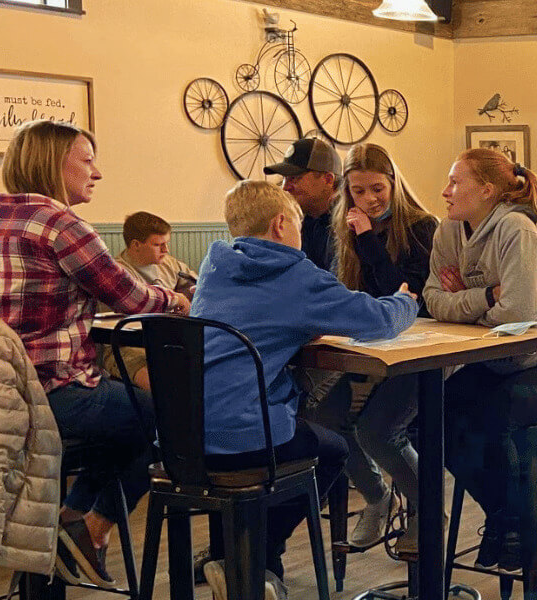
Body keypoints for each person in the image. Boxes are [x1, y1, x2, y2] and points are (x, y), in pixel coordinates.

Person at [0, 119, 189, 589]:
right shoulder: (61, 224)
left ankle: (67, 526)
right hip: (52, 397)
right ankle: (86, 527)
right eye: (87, 160)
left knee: (127, 416)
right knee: (169, 418)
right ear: (53, 164)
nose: (96, 172)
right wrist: (176, 301)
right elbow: (133, 299)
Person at [194, 180, 418, 600]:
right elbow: (376, 322)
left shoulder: (215, 265)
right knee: (331, 450)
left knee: (296, 433)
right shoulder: (293, 273)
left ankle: (240, 562)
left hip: (185, 436)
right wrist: (405, 300)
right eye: (297, 224)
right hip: (246, 435)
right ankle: (255, 563)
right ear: (281, 224)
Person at [424, 149, 537, 573]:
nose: (445, 191)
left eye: (456, 182)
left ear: (487, 191)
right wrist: (486, 296)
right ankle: (505, 517)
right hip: (497, 363)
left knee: (490, 417)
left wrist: (467, 304)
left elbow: (520, 312)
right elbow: (432, 300)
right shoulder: (448, 233)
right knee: (432, 418)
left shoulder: (514, 226)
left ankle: (511, 528)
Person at [309, 143, 438, 554]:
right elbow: (347, 292)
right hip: (365, 345)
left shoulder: (421, 226)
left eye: (377, 188)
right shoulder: (341, 228)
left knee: (378, 431)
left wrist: (367, 240)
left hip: (418, 347)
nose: (369, 199)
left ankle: (425, 510)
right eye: (358, 191)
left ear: (394, 183)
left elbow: (403, 296)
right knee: (321, 417)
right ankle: (376, 496)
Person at [102, 211, 198, 390]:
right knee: (163, 389)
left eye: (166, 244)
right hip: (128, 344)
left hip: (169, 338)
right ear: (136, 245)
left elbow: (196, 286)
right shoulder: (117, 274)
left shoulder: (170, 264)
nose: (166, 250)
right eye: (158, 245)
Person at [264, 137, 341, 272]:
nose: (285, 187)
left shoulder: (351, 225)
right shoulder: (294, 221)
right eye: (284, 179)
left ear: (328, 180)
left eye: (294, 178)